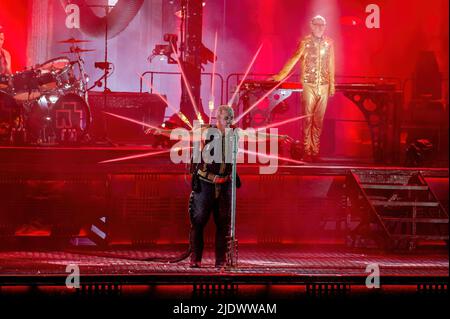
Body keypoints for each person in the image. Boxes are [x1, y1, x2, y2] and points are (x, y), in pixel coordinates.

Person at [272, 15, 335, 162]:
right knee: (307, 119)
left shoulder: (329, 43)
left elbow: (331, 64)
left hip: (324, 85)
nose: (320, 27)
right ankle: (307, 149)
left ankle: (315, 151)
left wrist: (332, 84)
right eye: (317, 24)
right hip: (308, 84)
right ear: (311, 25)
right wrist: (281, 75)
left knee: (318, 120)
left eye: (322, 25)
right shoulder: (305, 42)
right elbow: (294, 59)